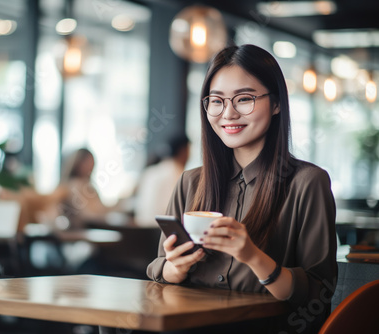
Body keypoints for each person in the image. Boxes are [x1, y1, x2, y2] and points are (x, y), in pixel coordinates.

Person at [147, 44, 337, 334]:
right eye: (217, 101)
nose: (228, 113)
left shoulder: (307, 182)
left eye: (244, 99)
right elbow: (159, 269)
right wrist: (175, 268)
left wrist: (252, 255)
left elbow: (318, 296)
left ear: (276, 104)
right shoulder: (190, 182)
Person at [134, 134, 190, 226]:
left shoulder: (151, 171)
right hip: (161, 230)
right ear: (184, 150)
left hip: (142, 230)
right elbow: (176, 211)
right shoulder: (179, 174)